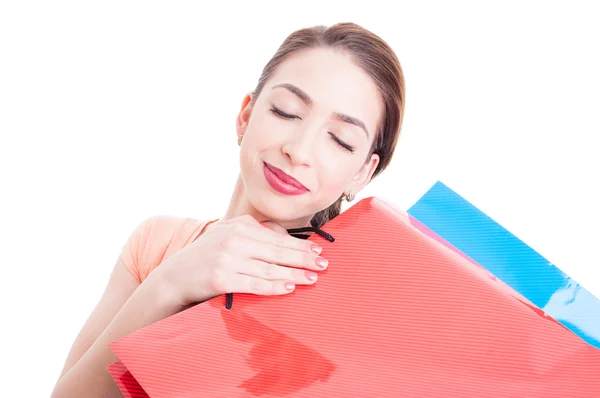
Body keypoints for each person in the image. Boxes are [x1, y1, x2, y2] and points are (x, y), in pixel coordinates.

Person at [51, 22, 405, 397]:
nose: (299, 151)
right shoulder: (157, 243)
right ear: (246, 115)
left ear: (363, 172)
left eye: (340, 140)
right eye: (286, 112)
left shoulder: (353, 302)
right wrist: (169, 284)